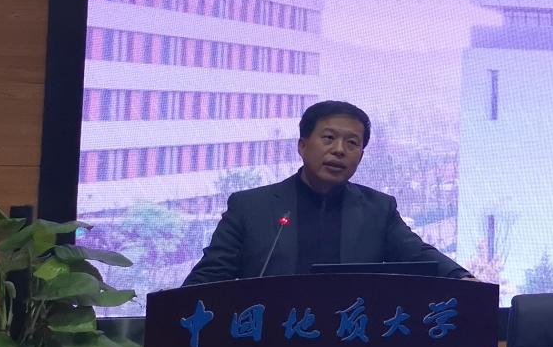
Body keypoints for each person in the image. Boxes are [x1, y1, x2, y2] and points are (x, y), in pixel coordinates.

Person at [183, 100, 468, 284]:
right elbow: (209, 278)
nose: (339, 150)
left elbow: (418, 254)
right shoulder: (250, 207)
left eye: (352, 143)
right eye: (329, 138)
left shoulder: (378, 209)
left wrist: (463, 279)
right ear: (303, 145)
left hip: (348, 346)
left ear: (360, 156)